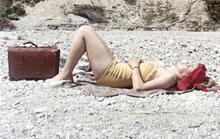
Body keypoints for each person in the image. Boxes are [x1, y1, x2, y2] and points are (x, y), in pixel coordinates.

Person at [46, 25, 198, 91]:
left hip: (111, 73)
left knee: (85, 31)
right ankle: (66, 72)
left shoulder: (170, 78)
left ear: (185, 75)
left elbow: (139, 88)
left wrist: (135, 66)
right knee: (85, 32)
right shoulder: (168, 73)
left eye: (190, 66)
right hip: (114, 68)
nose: (187, 61)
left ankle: (66, 74)